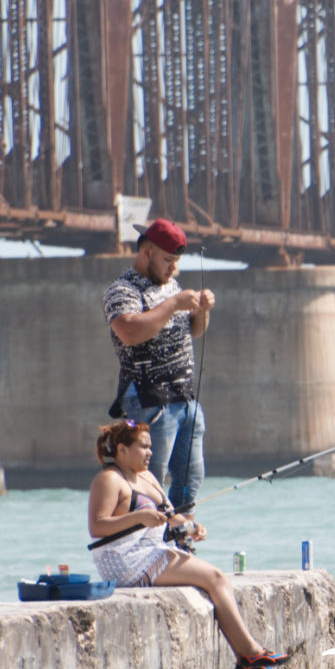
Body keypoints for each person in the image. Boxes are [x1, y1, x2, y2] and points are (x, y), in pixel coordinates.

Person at [87, 419, 287, 669]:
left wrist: (190, 526)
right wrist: (139, 518)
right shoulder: (109, 480)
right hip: (124, 561)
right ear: (122, 450)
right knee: (214, 578)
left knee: (215, 580)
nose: (150, 453)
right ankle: (250, 653)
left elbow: (170, 516)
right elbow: (98, 526)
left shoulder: (148, 477)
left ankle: (248, 659)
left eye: (151, 447)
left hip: (153, 550)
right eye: (143, 447)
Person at [103, 218, 214, 519]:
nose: (172, 269)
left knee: (190, 480)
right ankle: (149, 546)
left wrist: (201, 311)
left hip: (186, 399)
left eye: (176, 262)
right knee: (149, 482)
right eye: (168, 260)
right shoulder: (122, 289)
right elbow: (130, 331)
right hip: (149, 401)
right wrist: (173, 304)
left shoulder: (172, 287)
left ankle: (180, 539)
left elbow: (194, 330)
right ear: (147, 252)